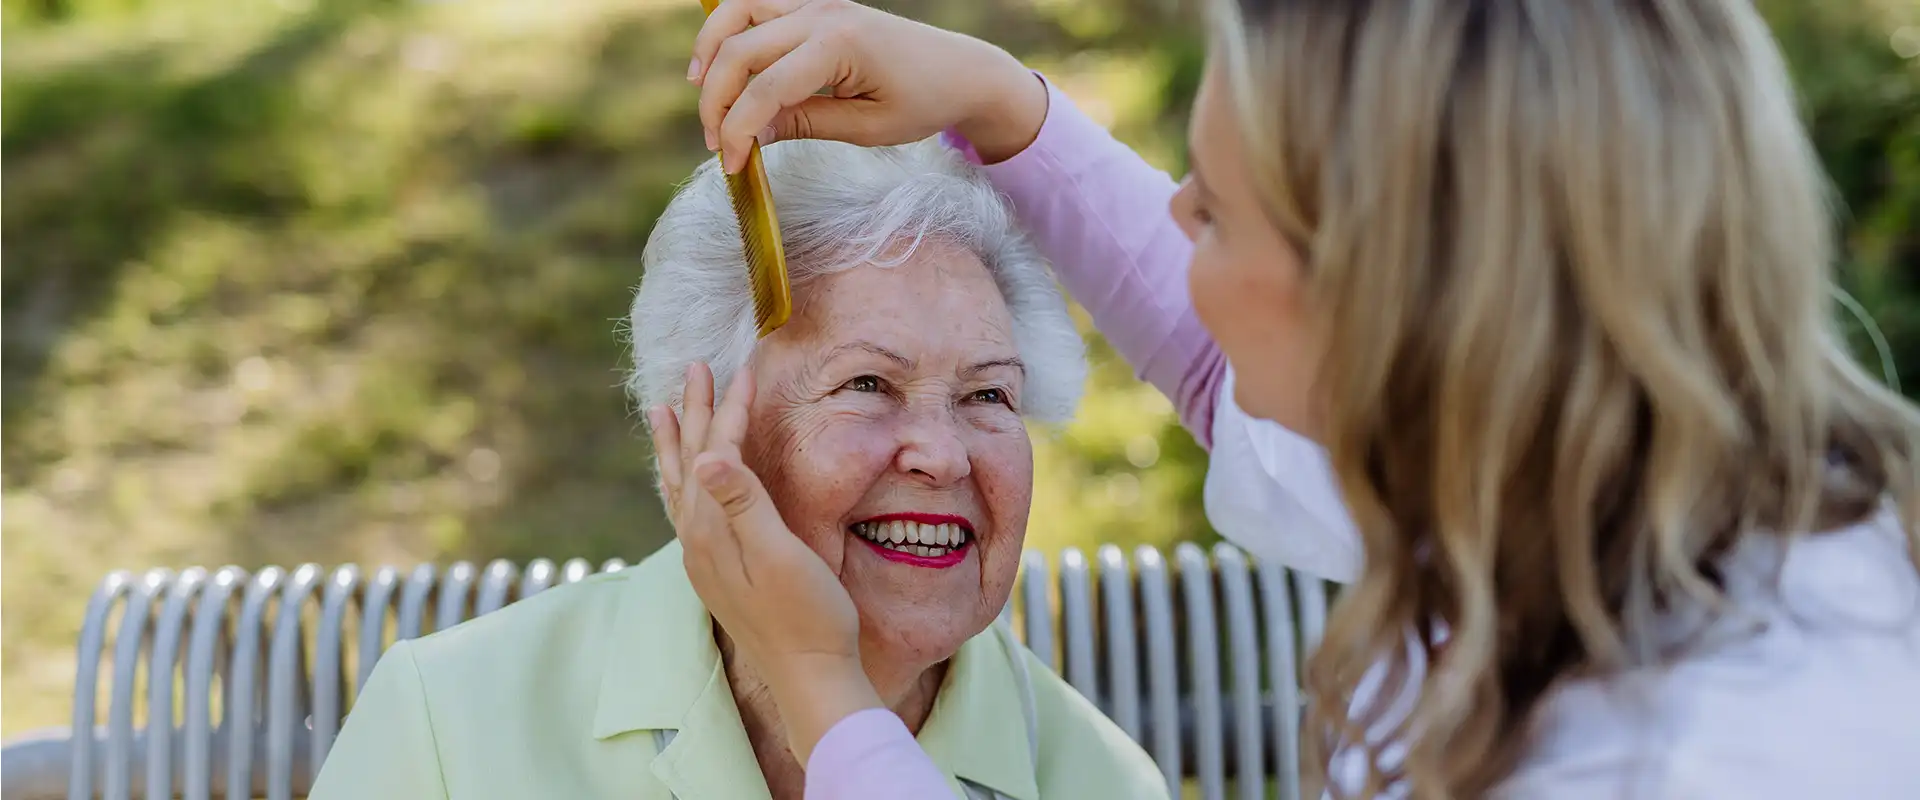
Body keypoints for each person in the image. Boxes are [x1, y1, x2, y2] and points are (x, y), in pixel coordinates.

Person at [670, 0, 1920, 797]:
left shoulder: (1734, 750)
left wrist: (822, 689)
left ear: (1387, 298)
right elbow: (1235, 375)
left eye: (1211, 208)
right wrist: (1003, 105)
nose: (1175, 224)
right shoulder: (1565, 460)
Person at [307, 136, 1168, 799]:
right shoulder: (451, 724)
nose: (942, 456)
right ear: (700, 430)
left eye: (989, 396)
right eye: (868, 384)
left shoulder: (1097, 779)